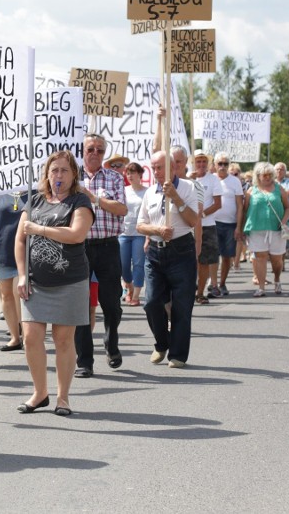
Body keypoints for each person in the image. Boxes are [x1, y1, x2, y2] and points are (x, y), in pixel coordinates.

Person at [15, 151, 94, 416]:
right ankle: (40, 393)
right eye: (54, 170)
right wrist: (23, 274)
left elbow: (76, 235)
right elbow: (20, 240)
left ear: (74, 175)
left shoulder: (80, 201)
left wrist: (40, 229)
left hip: (70, 282)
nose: (58, 175)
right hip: (36, 282)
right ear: (46, 174)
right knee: (30, 337)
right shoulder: (34, 201)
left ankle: (63, 397)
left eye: (64, 170)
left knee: (63, 340)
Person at [137, 151, 199, 368]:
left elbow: (193, 221)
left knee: (182, 305)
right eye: (153, 167)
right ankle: (161, 343)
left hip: (181, 251)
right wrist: (156, 230)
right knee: (152, 302)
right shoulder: (149, 193)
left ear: (173, 167)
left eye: (160, 167)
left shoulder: (188, 187)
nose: (156, 171)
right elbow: (140, 224)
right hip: (155, 251)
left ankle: (178, 354)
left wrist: (177, 198)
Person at [74, 133, 127, 378]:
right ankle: (85, 360)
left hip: (108, 247)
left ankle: (111, 341)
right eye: (90, 149)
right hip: (79, 247)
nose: (95, 153)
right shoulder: (72, 177)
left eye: (100, 150)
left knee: (111, 304)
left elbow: (121, 209)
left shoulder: (115, 177)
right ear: (82, 150)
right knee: (80, 304)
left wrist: (94, 198)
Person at [240, 162, 289, 296]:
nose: (267, 177)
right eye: (264, 175)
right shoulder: (251, 191)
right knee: (260, 257)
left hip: (276, 229)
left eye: (270, 175)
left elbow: (288, 207)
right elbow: (245, 211)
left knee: (277, 259)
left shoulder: (279, 189)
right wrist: (241, 229)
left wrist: (284, 221)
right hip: (256, 228)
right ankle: (261, 288)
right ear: (258, 176)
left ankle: (277, 279)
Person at [0, 192, 27, 351]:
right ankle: (14, 337)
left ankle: (27, 336)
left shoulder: (35, 193)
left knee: (20, 293)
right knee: (5, 294)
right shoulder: (0, 193)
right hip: (1, 247)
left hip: (24, 249)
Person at [192, 150, 223, 305]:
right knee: (189, 261)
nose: (201, 164)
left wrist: (201, 215)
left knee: (204, 261)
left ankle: (200, 292)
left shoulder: (213, 180)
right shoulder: (187, 179)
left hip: (207, 225)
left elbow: (217, 203)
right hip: (187, 226)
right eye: (198, 161)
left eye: (204, 161)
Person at [212, 152, 243, 296]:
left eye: (225, 164)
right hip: (212, 223)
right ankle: (212, 283)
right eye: (220, 164)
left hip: (230, 224)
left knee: (227, 256)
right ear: (215, 165)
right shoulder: (210, 179)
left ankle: (222, 283)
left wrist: (238, 226)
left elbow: (239, 205)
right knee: (212, 255)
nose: (223, 167)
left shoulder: (235, 181)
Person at [119, 162, 148, 306]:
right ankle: (129, 287)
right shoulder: (123, 190)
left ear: (140, 174)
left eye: (133, 172)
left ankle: (136, 295)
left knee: (138, 264)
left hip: (140, 233)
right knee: (123, 265)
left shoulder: (147, 191)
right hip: (124, 233)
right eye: (128, 173)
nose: (130, 176)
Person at [275, 162, 289, 259]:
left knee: (286, 230)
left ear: (285, 171)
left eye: (282, 169)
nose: (279, 171)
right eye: (277, 169)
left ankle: (286, 249)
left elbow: (287, 193)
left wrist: (274, 196)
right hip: (273, 211)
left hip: (286, 210)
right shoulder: (271, 182)